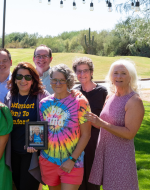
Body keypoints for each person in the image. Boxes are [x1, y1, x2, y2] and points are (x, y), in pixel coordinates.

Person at [87, 60, 144, 190]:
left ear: (130, 77)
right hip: (106, 154)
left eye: (123, 73)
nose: (118, 76)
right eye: (115, 73)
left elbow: (130, 133)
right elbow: (102, 125)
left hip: (121, 157)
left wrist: (103, 124)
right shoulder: (110, 96)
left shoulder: (134, 100)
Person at [37, 64, 91, 190]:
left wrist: (72, 159)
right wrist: (33, 143)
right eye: (54, 80)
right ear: (50, 81)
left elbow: (86, 134)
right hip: (48, 160)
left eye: (62, 80)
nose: (58, 83)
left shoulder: (79, 101)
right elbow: (43, 132)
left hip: (72, 162)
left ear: (68, 81)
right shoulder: (43, 103)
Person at [4, 62, 49, 190]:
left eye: (28, 77)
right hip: (12, 151)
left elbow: (50, 122)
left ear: (33, 79)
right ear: (14, 79)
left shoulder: (41, 95)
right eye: (19, 77)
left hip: (32, 153)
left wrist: (36, 143)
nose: (23, 80)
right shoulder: (10, 96)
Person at [71, 57, 107, 190]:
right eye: (78, 71)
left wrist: (93, 121)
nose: (81, 74)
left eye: (85, 70)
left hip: (95, 143)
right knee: (78, 181)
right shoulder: (74, 92)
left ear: (91, 72)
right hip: (77, 142)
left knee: (93, 182)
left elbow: (107, 121)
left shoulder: (102, 92)